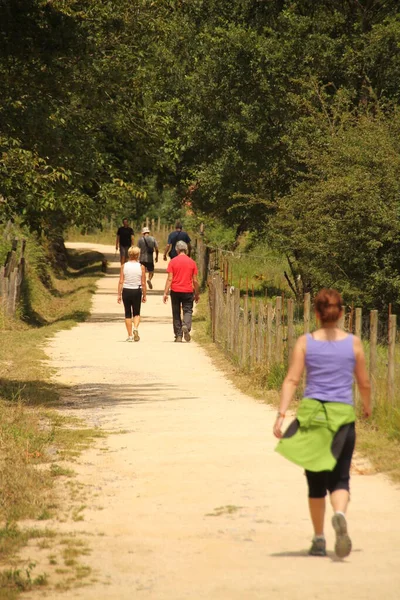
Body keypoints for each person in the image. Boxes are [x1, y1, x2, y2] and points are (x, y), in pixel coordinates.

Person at [273, 288, 371, 559]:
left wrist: (281, 414)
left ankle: (318, 539)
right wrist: (366, 406)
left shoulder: (306, 342)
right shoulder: (354, 343)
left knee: (315, 481)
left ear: (316, 313)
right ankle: (339, 514)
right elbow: (363, 382)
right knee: (340, 477)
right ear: (341, 313)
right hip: (343, 419)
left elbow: (291, 380)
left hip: (313, 417)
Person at [163, 240, 200, 342]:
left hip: (175, 290)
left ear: (177, 250)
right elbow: (195, 280)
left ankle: (178, 336)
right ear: (186, 250)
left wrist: (165, 292)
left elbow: (170, 278)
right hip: (188, 290)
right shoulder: (192, 262)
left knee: (176, 313)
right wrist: (197, 293)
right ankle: (186, 326)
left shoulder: (173, 262)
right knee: (187, 310)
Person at [117, 246, 146, 342]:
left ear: (129, 255)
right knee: (136, 313)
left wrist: (119, 294)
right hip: (137, 290)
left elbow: (121, 281)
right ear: (137, 255)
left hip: (126, 290)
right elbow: (143, 283)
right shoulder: (141, 267)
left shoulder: (124, 266)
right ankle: (136, 328)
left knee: (127, 313)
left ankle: (129, 335)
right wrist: (144, 295)